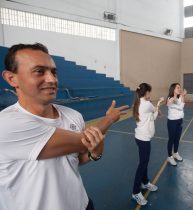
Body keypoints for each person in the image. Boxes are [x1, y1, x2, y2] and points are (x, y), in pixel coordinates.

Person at [0, 43, 129, 210]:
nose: (52, 79)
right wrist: (110, 119)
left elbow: (76, 158)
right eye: (39, 71)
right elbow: (83, 141)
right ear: (12, 78)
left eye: (54, 72)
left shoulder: (73, 116)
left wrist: (94, 154)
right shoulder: (6, 124)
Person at [131, 83, 164, 206]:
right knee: (143, 164)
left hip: (140, 137)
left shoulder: (139, 102)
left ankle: (145, 182)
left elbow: (153, 116)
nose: (150, 94)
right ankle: (135, 192)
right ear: (146, 93)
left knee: (144, 162)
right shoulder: (146, 104)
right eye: (149, 92)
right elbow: (155, 113)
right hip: (143, 139)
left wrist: (156, 108)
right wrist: (159, 102)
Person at [166, 83, 187, 166]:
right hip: (172, 122)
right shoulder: (170, 98)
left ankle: (175, 153)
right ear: (173, 89)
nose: (180, 89)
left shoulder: (180, 97)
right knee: (171, 139)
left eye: (180, 87)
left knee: (177, 139)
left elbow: (182, 106)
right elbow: (169, 104)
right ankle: (169, 157)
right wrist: (180, 96)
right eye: (178, 88)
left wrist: (183, 96)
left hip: (179, 121)